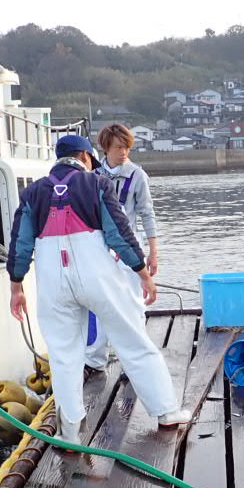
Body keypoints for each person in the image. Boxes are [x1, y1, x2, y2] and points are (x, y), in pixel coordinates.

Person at [7, 134, 190, 446]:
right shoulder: (96, 184)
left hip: (53, 281)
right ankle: (166, 412)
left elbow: (21, 243)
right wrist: (143, 272)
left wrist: (16, 286)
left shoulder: (32, 193)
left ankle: (70, 432)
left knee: (64, 357)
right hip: (97, 277)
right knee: (133, 341)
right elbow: (118, 233)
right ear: (85, 157)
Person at [86, 123, 159, 372]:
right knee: (100, 302)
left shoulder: (137, 175)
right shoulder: (92, 177)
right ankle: (95, 360)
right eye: (118, 147)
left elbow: (147, 214)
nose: (124, 152)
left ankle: (134, 362)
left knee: (134, 303)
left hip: (129, 243)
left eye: (127, 147)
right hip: (100, 246)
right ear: (105, 148)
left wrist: (153, 251)